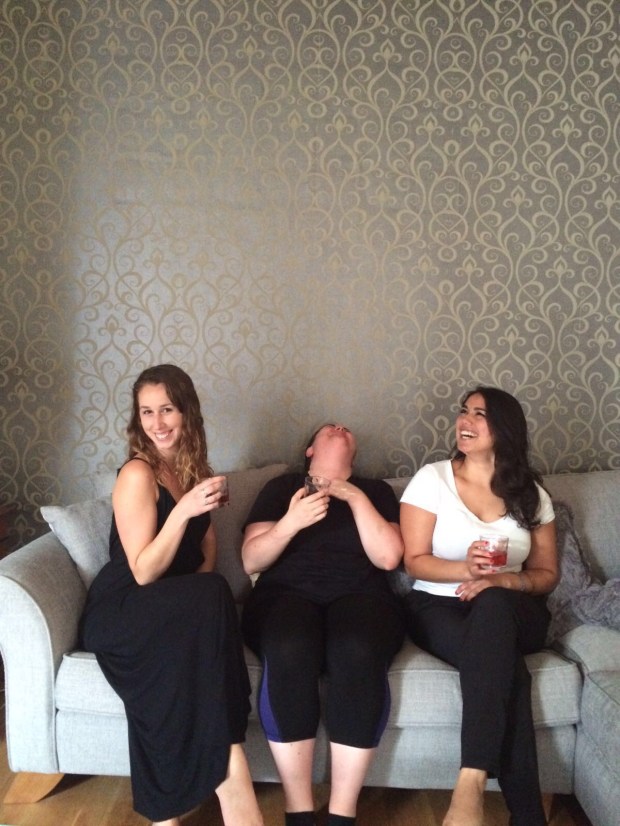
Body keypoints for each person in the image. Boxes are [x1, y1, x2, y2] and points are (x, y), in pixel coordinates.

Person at [79, 364, 263, 826]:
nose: (157, 423)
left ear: (187, 412)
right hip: (124, 608)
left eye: (167, 409)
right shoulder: (137, 474)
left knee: (210, 596)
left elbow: (207, 551)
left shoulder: (193, 470)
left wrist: (190, 606)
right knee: (212, 594)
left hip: (170, 607)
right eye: (147, 412)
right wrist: (182, 512)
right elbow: (143, 572)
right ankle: (229, 776)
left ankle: (189, 801)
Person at [400, 386, 558, 826]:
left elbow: (547, 574)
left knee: (493, 604)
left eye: (480, 415)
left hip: (513, 609)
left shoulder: (531, 494)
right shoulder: (432, 480)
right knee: (509, 671)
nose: (465, 422)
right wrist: (465, 569)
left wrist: (503, 580)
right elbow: (413, 562)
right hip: (439, 607)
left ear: (505, 429)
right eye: (463, 411)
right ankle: (527, 816)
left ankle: (470, 782)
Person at [241, 423, 405, 826]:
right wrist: (292, 521)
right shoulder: (282, 488)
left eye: (346, 429)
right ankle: (298, 812)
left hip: (362, 596)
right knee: (290, 645)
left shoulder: (376, 491)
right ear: (310, 450)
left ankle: (341, 815)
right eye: (327, 429)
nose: (339, 427)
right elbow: (252, 560)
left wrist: (354, 497)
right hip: (285, 595)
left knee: (357, 648)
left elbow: (388, 558)